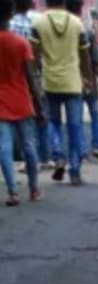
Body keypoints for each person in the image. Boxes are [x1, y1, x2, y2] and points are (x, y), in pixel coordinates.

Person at [31, 0, 93, 185]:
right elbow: (84, 55)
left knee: (53, 123)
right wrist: (88, 78)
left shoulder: (39, 23)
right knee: (75, 126)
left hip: (50, 82)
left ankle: (58, 156)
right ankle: (75, 170)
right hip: (73, 82)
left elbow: (33, 56)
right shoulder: (76, 23)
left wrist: (34, 79)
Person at [0, 0, 43, 204]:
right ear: (10, 15)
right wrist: (40, 107)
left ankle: (13, 192)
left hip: (1, 105)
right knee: (29, 146)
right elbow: (31, 77)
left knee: (4, 148)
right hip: (22, 101)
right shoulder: (21, 43)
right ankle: (34, 190)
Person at [67, 0, 98, 160]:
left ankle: (81, 148)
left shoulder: (64, 32)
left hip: (73, 81)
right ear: (81, 10)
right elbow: (96, 61)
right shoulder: (87, 31)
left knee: (77, 117)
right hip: (90, 81)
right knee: (95, 113)